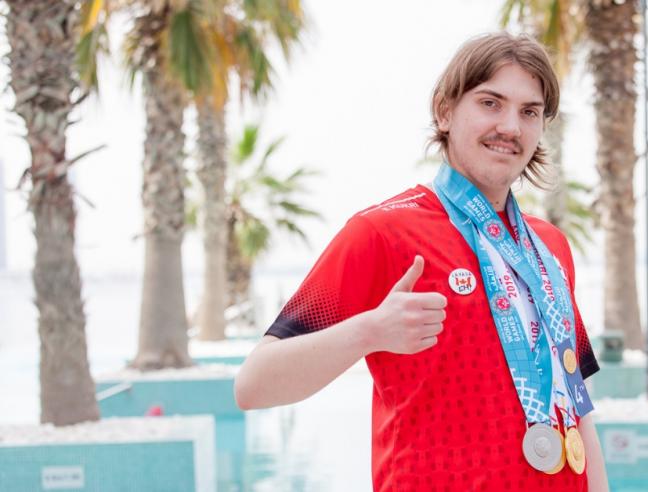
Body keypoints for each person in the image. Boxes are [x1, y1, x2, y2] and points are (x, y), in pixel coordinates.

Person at [235, 32, 609, 491]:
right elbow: (253, 385)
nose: (511, 126)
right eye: (491, 103)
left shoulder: (549, 249)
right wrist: (369, 331)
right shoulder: (383, 233)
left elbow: (577, 402)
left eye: (529, 112)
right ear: (445, 111)